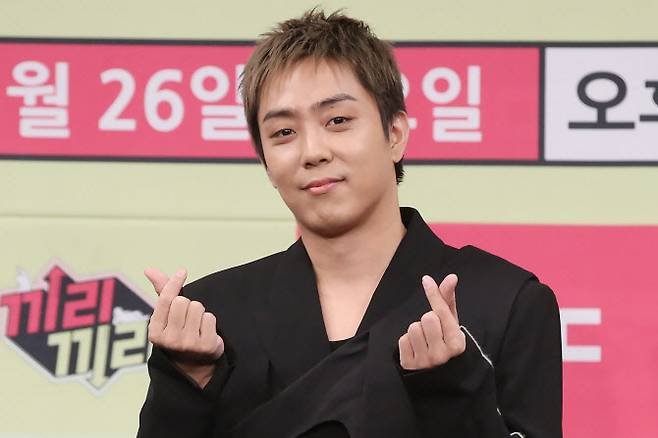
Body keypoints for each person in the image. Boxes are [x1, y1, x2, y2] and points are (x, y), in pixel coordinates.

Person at [137, 9, 562, 438]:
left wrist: (450, 389)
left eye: (337, 121)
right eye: (283, 132)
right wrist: (184, 384)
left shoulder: (505, 302)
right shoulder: (212, 318)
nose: (312, 151)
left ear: (395, 134)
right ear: (265, 162)